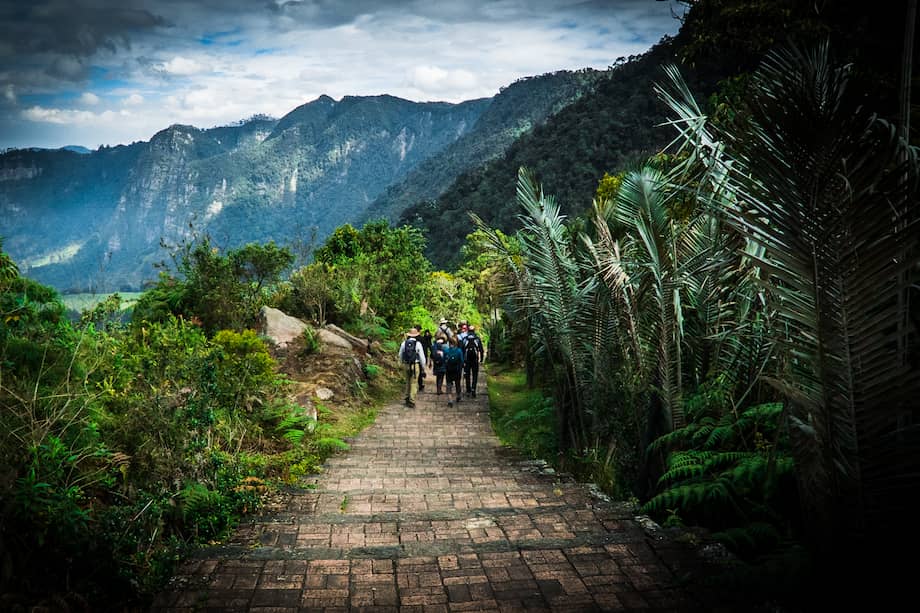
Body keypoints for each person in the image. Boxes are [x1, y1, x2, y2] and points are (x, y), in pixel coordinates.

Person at [398, 327, 426, 407]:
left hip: (406, 364)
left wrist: (400, 363)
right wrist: (423, 367)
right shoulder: (418, 344)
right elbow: (422, 357)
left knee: (407, 381)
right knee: (414, 382)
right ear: (416, 335)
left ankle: (406, 397)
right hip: (415, 365)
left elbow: (400, 354)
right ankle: (412, 400)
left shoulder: (404, 343)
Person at [462, 325, 485, 398]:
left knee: (467, 375)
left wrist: (462, 360)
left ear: (468, 331)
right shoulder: (477, 339)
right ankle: (473, 389)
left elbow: (462, 350)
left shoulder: (465, 339)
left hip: (467, 360)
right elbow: (481, 349)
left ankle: (468, 390)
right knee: (475, 375)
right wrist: (481, 359)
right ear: (474, 331)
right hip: (475, 360)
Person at [444, 336, 464, 407]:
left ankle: (450, 400)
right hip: (457, 370)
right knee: (457, 384)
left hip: (449, 370)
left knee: (449, 385)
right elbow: (462, 361)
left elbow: (444, 360)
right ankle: (458, 396)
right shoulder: (459, 351)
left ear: (449, 343)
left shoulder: (446, 351)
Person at [416, 324, 431, 391]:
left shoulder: (408, 339)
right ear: (420, 330)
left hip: (410, 359)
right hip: (419, 358)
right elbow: (426, 348)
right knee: (419, 372)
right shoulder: (422, 339)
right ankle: (420, 385)